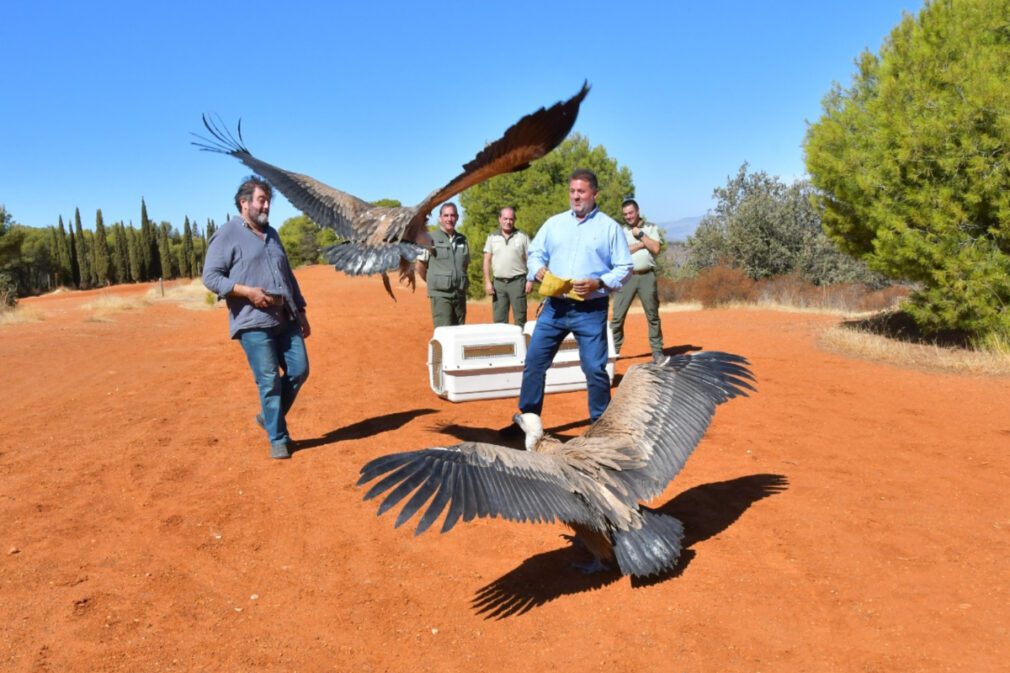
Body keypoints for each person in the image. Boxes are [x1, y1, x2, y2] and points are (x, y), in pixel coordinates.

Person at [203, 176, 310, 460]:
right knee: (269, 381)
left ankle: (268, 417)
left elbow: (288, 275)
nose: (266, 207)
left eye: (268, 202)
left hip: (284, 317)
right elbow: (210, 277)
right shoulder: (227, 234)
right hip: (252, 321)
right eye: (261, 200)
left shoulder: (273, 234)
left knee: (300, 370)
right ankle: (278, 438)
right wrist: (247, 292)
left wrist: (300, 310)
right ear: (244, 203)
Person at [516, 168, 633, 423]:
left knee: (594, 369)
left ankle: (601, 426)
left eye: (581, 191)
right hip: (554, 309)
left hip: (590, 310)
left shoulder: (610, 228)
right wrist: (537, 270)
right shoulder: (554, 223)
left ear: (594, 194)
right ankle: (528, 421)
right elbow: (535, 253)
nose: (576, 196)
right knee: (534, 363)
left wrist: (599, 283)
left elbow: (625, 267)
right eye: (572, 191)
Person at [610, 198, 668, 364]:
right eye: (625, 214)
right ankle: (613, 351)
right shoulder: (620, 231)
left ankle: (657, 351)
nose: (628, 216)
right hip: (626, 276)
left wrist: (641, 234)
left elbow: (656, 248)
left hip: (647, 276)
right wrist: (643, 244)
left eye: (631, 213)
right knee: (618, 317)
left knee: (653, 316)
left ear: (638, 211)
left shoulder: (651, 228)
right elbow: (620, 253)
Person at [416, 202, 469, 327]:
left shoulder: (463, 239)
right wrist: (434, 280)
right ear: (440, 218)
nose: (449, 219)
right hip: (441, 296)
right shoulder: (429, 238)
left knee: (459, 334)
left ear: (457, 217)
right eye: (446, 215)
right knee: (444, 333)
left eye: (452, 215)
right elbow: (420, 265)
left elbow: (465, 265)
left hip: (459, 295)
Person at [482, 206, 532, 327]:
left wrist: (530, 280)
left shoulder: (523, 236)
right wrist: (488, 282)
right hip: (498, 284)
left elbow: (531, 259)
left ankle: (522, 345)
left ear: (514, 220)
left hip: (518, 282)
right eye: (505, 218)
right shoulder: (492, 237)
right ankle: (502, 346)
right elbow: (486, 261)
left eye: (511, 219)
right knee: (499, 321)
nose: (508, 222)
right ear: (499, 219)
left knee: (520, 319)